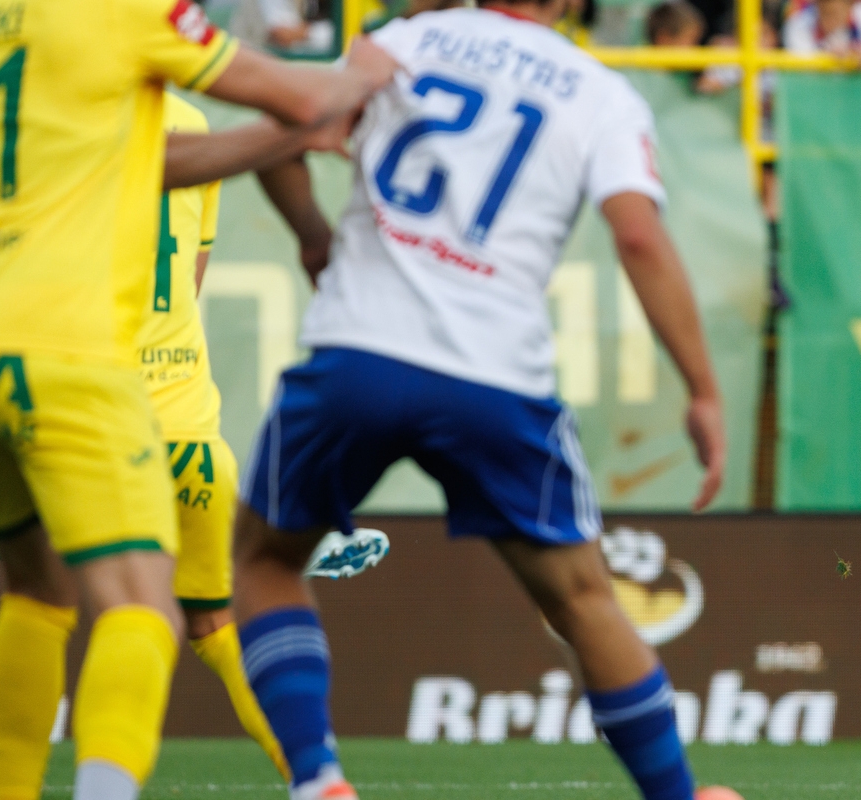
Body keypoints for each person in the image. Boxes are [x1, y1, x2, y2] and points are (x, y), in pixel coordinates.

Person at [225, 0, 728, 799]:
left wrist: (314, 235)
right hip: (495, 380)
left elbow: (285, 122)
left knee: (264, 561)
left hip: (358, 351)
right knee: (584, 600)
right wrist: (702, 389)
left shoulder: (399, 42)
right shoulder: (600, 92)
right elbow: (637, 235)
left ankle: (318, 777)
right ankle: (676, 794)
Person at [0, 0, 392, 794]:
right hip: (85, 360)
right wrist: (355, 78)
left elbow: (138, 162)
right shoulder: (124, 21)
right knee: (140, 606)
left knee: (28, 586)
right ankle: (300, 778)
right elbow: (293, 99)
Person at [783, 0, 861, 67]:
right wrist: (828, 57)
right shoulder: (798, 24)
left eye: (835, 13)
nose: (829, 21)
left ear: (850, 6)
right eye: (824, 12)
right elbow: (801, 69)